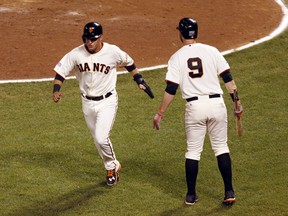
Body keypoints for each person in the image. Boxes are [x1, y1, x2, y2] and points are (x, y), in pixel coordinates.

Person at [153, 17, 243, 206]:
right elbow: (228, 79)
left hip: (194, 108)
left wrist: (160, 112)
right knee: (221, 148)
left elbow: (171, 89)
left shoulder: (176, 57)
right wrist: (237, 104)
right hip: (217, 104)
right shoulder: (212, 51)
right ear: (197, 32)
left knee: (193, 151)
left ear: (181, 34)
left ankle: (191, 195)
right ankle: (229, 191)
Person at [52, 21, 153, 186]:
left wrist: (139, 79)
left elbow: (129, 62)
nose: (89, 42)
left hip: (107, 101)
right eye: (87, 38)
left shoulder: (112, 52)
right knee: (97, 139)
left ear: (101, 38)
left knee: (101, 137)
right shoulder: (76, 54)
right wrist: (56, 90)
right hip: (86, 102)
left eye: (93, 38)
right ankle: (111, 165)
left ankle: (112, 166)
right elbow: (60, 72)